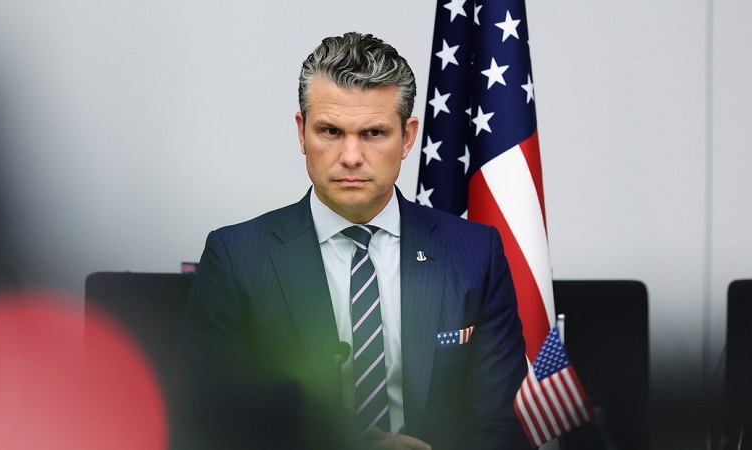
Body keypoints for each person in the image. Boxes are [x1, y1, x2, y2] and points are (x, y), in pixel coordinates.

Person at [178, 32, 529, 450]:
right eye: (330, 131)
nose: (350, 157)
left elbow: (501, 424)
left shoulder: (476, 253)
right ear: (301, 131)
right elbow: (209, 427)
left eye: (373, 133)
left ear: (408, 137)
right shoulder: (236, 257)